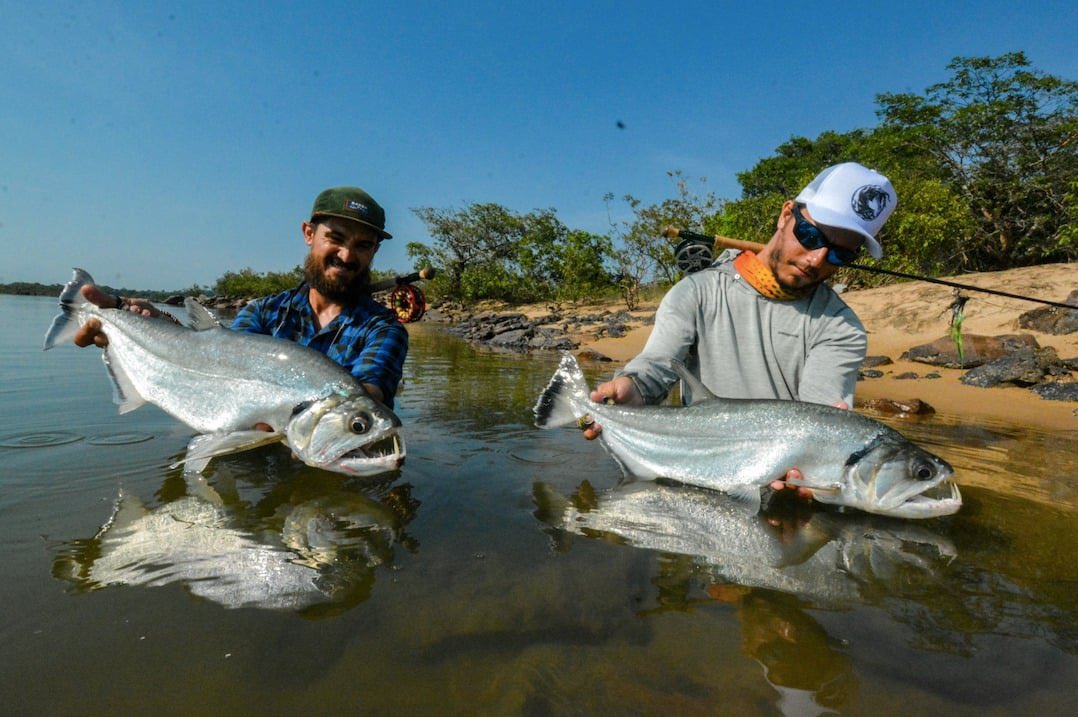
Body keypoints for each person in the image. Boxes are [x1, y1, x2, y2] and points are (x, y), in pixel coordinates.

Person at [585, 162, 897, 497]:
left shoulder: (841, 328)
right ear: (786, 214)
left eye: (840, 254)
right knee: (587, 426)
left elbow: (816, 417)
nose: (816, 259)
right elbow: (657, 367)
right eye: (810, 236)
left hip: (779, 487)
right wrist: (631, 387)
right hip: (693, 478)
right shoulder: (696, 292)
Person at [74, 186, 409, 407]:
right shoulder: (264, 312)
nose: (347, 256)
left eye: (362, 245)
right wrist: (156, 325)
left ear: (375, 250)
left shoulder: (383, 329)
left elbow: (370, 397)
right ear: (309, 234)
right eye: (335, 238)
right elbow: (219, 357)